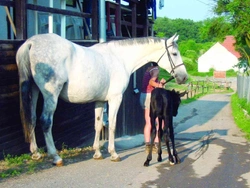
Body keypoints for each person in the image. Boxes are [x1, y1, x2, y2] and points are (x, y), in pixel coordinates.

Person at [140, 62, 166, 153]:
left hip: (144, 95)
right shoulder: (156, 70)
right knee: (160, 122)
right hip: (151, 96)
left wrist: (160, 82)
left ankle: (147, 146)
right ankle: (156, 145)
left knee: (148, 122)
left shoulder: (148, 69)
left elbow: (149, 82)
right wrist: (159, 85)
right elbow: (151, 82)